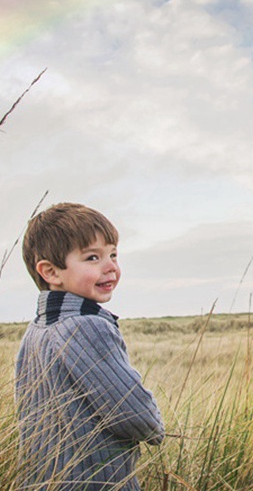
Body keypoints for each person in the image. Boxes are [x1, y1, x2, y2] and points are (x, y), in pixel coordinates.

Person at [15, 202, 165, 490]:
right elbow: (133, 412)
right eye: (93, 258)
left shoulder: (37, 330)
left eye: (113, 254)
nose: (111, 267)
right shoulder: (87, 326)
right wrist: (155, 428)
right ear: (51, 272)